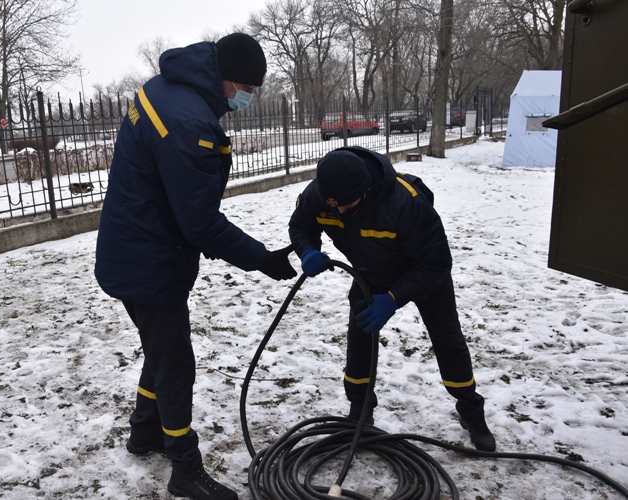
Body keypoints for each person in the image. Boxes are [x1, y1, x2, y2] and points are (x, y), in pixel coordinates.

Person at [94, 33, 297, 500]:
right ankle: (185, 468)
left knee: (160, 351)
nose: (248, 99)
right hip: (149, 261)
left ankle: (145, 432)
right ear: (229, 81)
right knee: (176, 363)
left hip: (129, 246)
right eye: (249, 89)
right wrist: (262, 259)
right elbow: (200, 224)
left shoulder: (163, 87)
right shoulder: (190, 124)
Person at [288, 146, 496, 452]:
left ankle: (471, 412)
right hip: (368, 274)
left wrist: (394, 297)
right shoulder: (319, 196)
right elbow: (301, 225)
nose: (340, 212)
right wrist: (307, 249)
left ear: (366, 190)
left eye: (347, 205)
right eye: (334, 207)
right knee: (360, 339)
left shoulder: (406, 202)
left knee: (448, 339)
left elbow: (436, 262)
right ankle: (360, 410)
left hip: (425, 275)